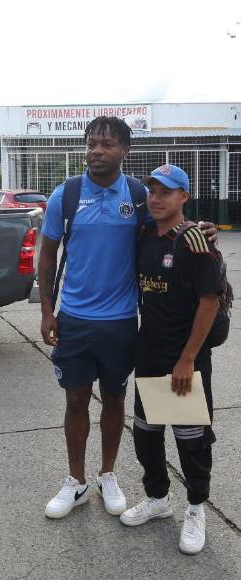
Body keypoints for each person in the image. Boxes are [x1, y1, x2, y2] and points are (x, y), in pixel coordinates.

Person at [38, 117, 216, 520]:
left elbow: (170, 226)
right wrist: (48, 310)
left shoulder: (138, 195)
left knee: (116, 400)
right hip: (75, 320)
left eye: (106, 144)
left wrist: (202, 229)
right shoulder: (64, 196)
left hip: (121, 321)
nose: (96, 151)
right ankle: (76, 481)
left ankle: (108, 474)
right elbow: (47, 255)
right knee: (76, 400)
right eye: (91, 143)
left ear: (124, 151)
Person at [120, 164, 221, 555]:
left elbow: (209, 302)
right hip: (150, 353)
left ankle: (197, 507)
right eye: (152, 191)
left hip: (186, 358)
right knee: (147, 433)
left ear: (184, 197)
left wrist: (188, 359)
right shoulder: (145, 234)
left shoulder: (194, 241)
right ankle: (158, 499)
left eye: (166, 191)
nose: (157, 198)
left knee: (191, 439)